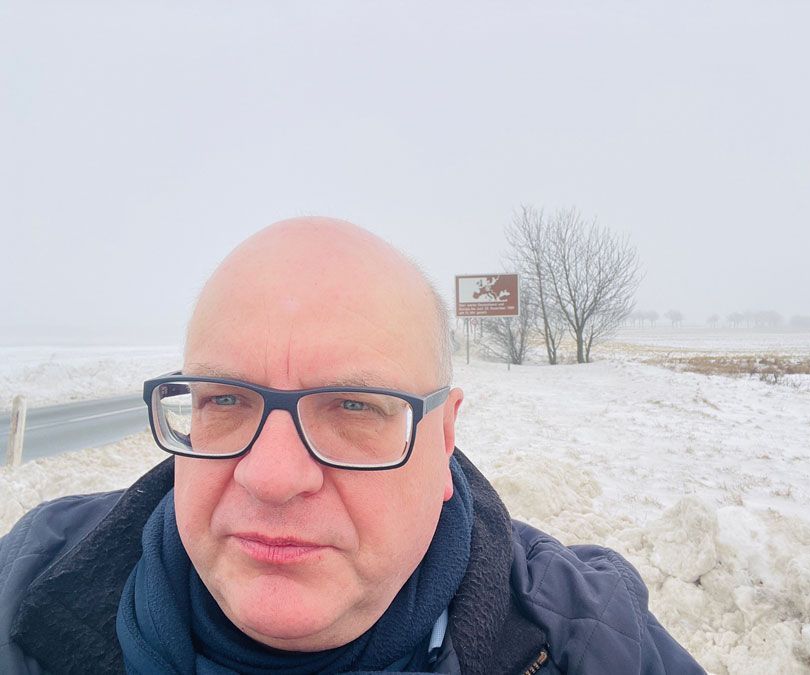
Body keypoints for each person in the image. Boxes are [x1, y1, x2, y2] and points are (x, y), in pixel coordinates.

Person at [0, 218, 704, 674]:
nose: (272, 475)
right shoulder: (26, 583)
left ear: (445, 438)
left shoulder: (590, 638)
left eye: (354, 407)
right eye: (224, 400)